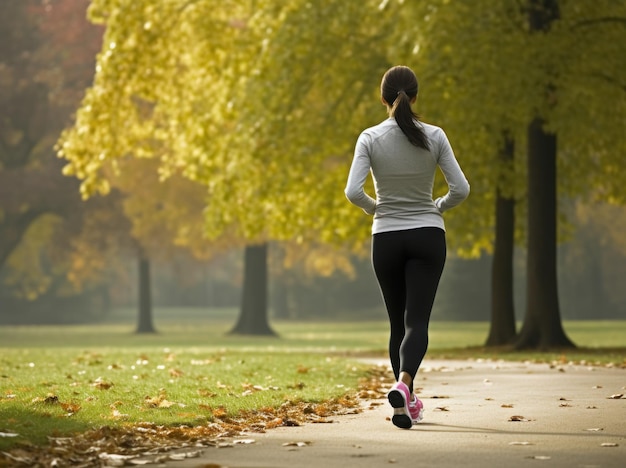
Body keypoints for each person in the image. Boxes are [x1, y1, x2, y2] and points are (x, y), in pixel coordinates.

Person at [345, 65, 469, 429]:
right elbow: (460, 189)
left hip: (385, 238)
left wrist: (376, 208)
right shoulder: (436, 136)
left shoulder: (369, 137)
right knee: (417, 322)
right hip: (428, 236)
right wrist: (437, 207)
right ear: (415, 96)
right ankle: (405, 387)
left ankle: (404, 403)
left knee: (396, 323)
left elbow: (353, 192)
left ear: (382, 98)